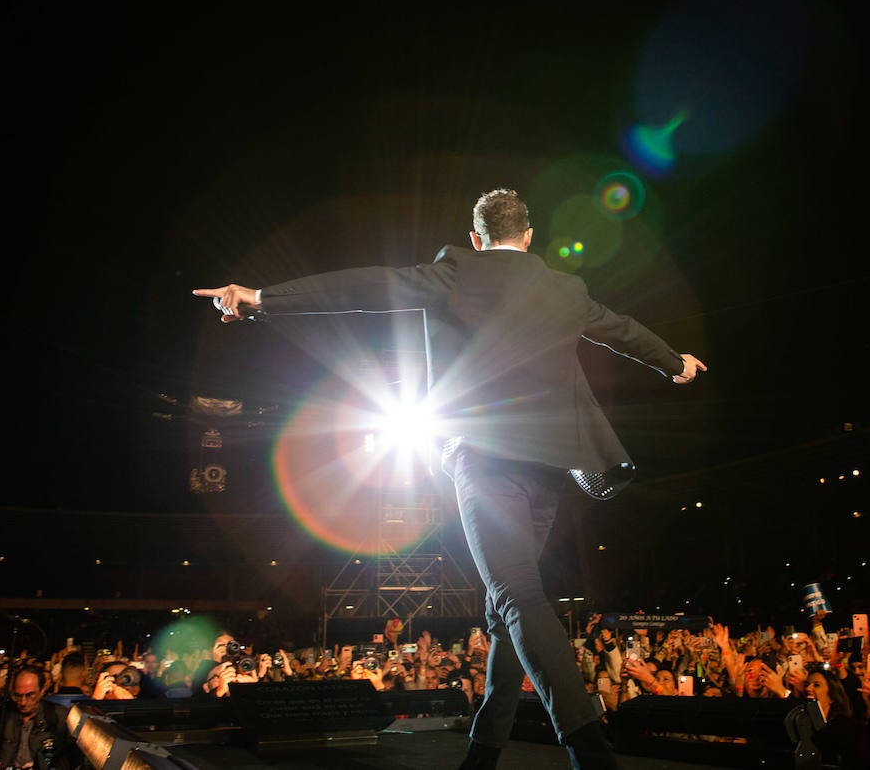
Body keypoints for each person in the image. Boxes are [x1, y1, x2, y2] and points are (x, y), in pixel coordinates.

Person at [195, 187, 706, 770]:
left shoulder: (455, 271)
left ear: (476, 239)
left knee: (514, 596)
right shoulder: (567, 289)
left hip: (485, 461)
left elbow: (361, 284)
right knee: (504, 605)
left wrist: (260, 297)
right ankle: (483, 753)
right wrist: (675, 361)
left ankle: (590, 751)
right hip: (549, 469)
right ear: (529, 236)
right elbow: (624, 329)